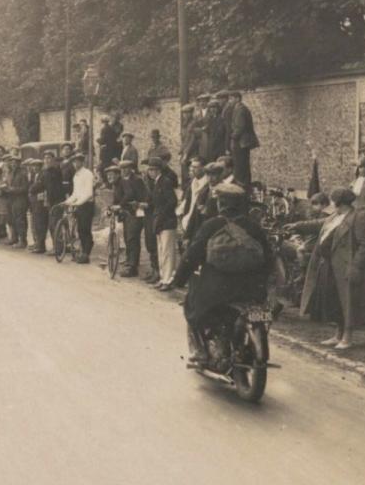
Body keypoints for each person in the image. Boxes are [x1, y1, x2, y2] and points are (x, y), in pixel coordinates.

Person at [170, 183, 273, 362]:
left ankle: (200, 351)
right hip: (251, 289)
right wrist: (263, 282)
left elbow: (192, 255)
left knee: (191, 305)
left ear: (220, 204)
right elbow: (268, 258)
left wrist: (179, 279)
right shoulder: (253, 227)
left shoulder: (211, 225)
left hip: (218, 289)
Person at [286, 187, 365, 349]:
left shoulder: (357, 218)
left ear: (340, 203)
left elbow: (364, 244)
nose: (332, 204)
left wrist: (355, 266)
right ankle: (338, 334)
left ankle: (347, 337)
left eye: (334, 201)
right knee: (334, 301)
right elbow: (318, 224)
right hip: (329, 264)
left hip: (345, 266)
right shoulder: (336, 216)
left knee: (347, 302)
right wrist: (297, 225)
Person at [149, 153, 181, 290]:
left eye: (153, 170)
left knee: (167, 252)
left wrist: (161, 215)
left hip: (167, 221)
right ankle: (163, 278)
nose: (151, 172)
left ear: (159, 170)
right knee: (161, 250)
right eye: (150, 170)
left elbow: (172, 201)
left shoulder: (165, 182)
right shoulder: (157, 182)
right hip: (160, 221)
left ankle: (168, 280)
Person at [114, 160, 147, 277]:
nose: (123, 171)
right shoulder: (123, 180)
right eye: (122, 169)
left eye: (126, 168)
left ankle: (132, 266)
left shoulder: (136, 180)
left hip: (138, 211)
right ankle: (129, 262)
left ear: (131, 169)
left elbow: (130, 194)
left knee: (133, 237)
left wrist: (120, 205)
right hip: (128, 212)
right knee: (128, 237)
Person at [63, 151, 96, 263]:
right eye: (74, 162)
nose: (76, 164)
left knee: (85, 229)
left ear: (82, 162)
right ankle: (82, 252)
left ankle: (86, 254)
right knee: (80, 230)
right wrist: (67, 201)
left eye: (78, 162)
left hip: (87, 204)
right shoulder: (76, 176)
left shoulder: (87, 174)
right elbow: (75, 193)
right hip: (79, 204)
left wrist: (78, 203)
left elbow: (89, 193)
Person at [228, 91, 260, 186]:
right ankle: (244, 184)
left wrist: (232, 136)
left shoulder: (240, 109)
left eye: (231, 99)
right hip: (242, 142)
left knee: (240, 165)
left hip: (241, 142)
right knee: (242, 165)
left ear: (237, 98)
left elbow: (240, 127)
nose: (230, 101)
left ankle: (242, 185)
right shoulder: (239, 109)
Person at [5, 156, 30, 248]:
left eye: (15, 162)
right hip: (11, 199)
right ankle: (14, 238)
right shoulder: (10, 173)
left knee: (20, 220)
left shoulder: (23, 173)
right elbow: (8, 185)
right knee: (12, 219)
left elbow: (25, 188)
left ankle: (23, 241)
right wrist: (5, 188)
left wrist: (13, 189)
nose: (13, 164)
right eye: (12, 162)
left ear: (19, 163)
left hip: (20, 199)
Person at [200, 99, 227, 163]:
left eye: (214, 107)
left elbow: (221, 132)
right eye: (211, 108)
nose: (212, 109)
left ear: (218, 108)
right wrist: (205, 129)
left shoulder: (221, 118)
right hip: (211, 144)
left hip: (220, 144)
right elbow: (208, 129)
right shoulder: (210, 119)